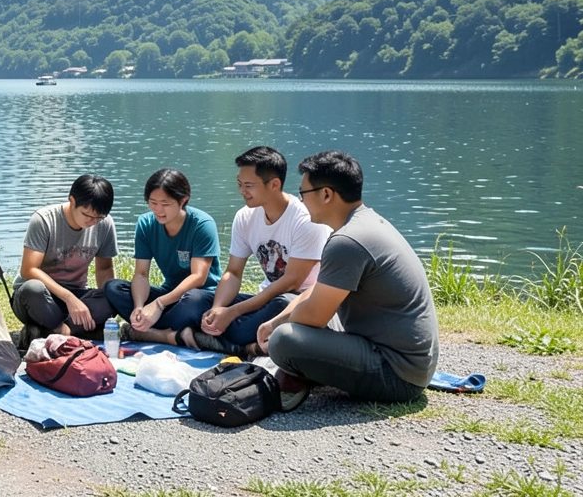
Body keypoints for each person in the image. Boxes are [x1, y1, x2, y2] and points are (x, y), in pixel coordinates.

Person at [257, 151, 439, 409]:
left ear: (327, 194)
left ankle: (300, 373)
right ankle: (306, 368)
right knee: (291, 312)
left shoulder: (347, 242)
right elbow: (318, 292)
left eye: (304, 193)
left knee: (284, 340)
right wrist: (275, 320)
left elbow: (314, 316)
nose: (301, 201)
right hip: (405, 361)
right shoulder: (364, 222)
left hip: (397, 374)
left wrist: (276, 328)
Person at [190, 146, 328, 357]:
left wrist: (233, 312)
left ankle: (213, 338)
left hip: (296, 301)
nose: (242, 191)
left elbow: (293, 282)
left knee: (279, 305)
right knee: (196, 301)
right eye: (239, 184)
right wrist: (218, 309)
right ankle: (233, 339)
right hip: (263, 298)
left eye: (248, 185)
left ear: (274, 184)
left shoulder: (305, 220)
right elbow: (234, 272)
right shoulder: (245, 217)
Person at [103, 168, 220, 346]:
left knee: (192, 300)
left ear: (183, 200)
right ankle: (168, 333)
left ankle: (147, 333)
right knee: (113, 288)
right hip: (168, 294)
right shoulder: (146, 223)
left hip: (202, 295)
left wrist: (158, 305)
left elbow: (198, 277)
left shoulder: (202, 224)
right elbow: (141, 273)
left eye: (165, 204)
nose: (158, 210)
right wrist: (139, 307)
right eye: (153, 202)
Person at [11, 175, 119, 351]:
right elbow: (29, 270)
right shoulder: (44, 220)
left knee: (115, 292)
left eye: (97, 218)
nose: (91, 222)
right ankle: (70, 329)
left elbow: (105, 269)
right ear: (72, 201)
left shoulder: (105, 224)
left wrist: (107, 303)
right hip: (39, 297)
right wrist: (68, 298)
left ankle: (61, 330)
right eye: (86, 215)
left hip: (75, 294)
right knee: (33, 289)